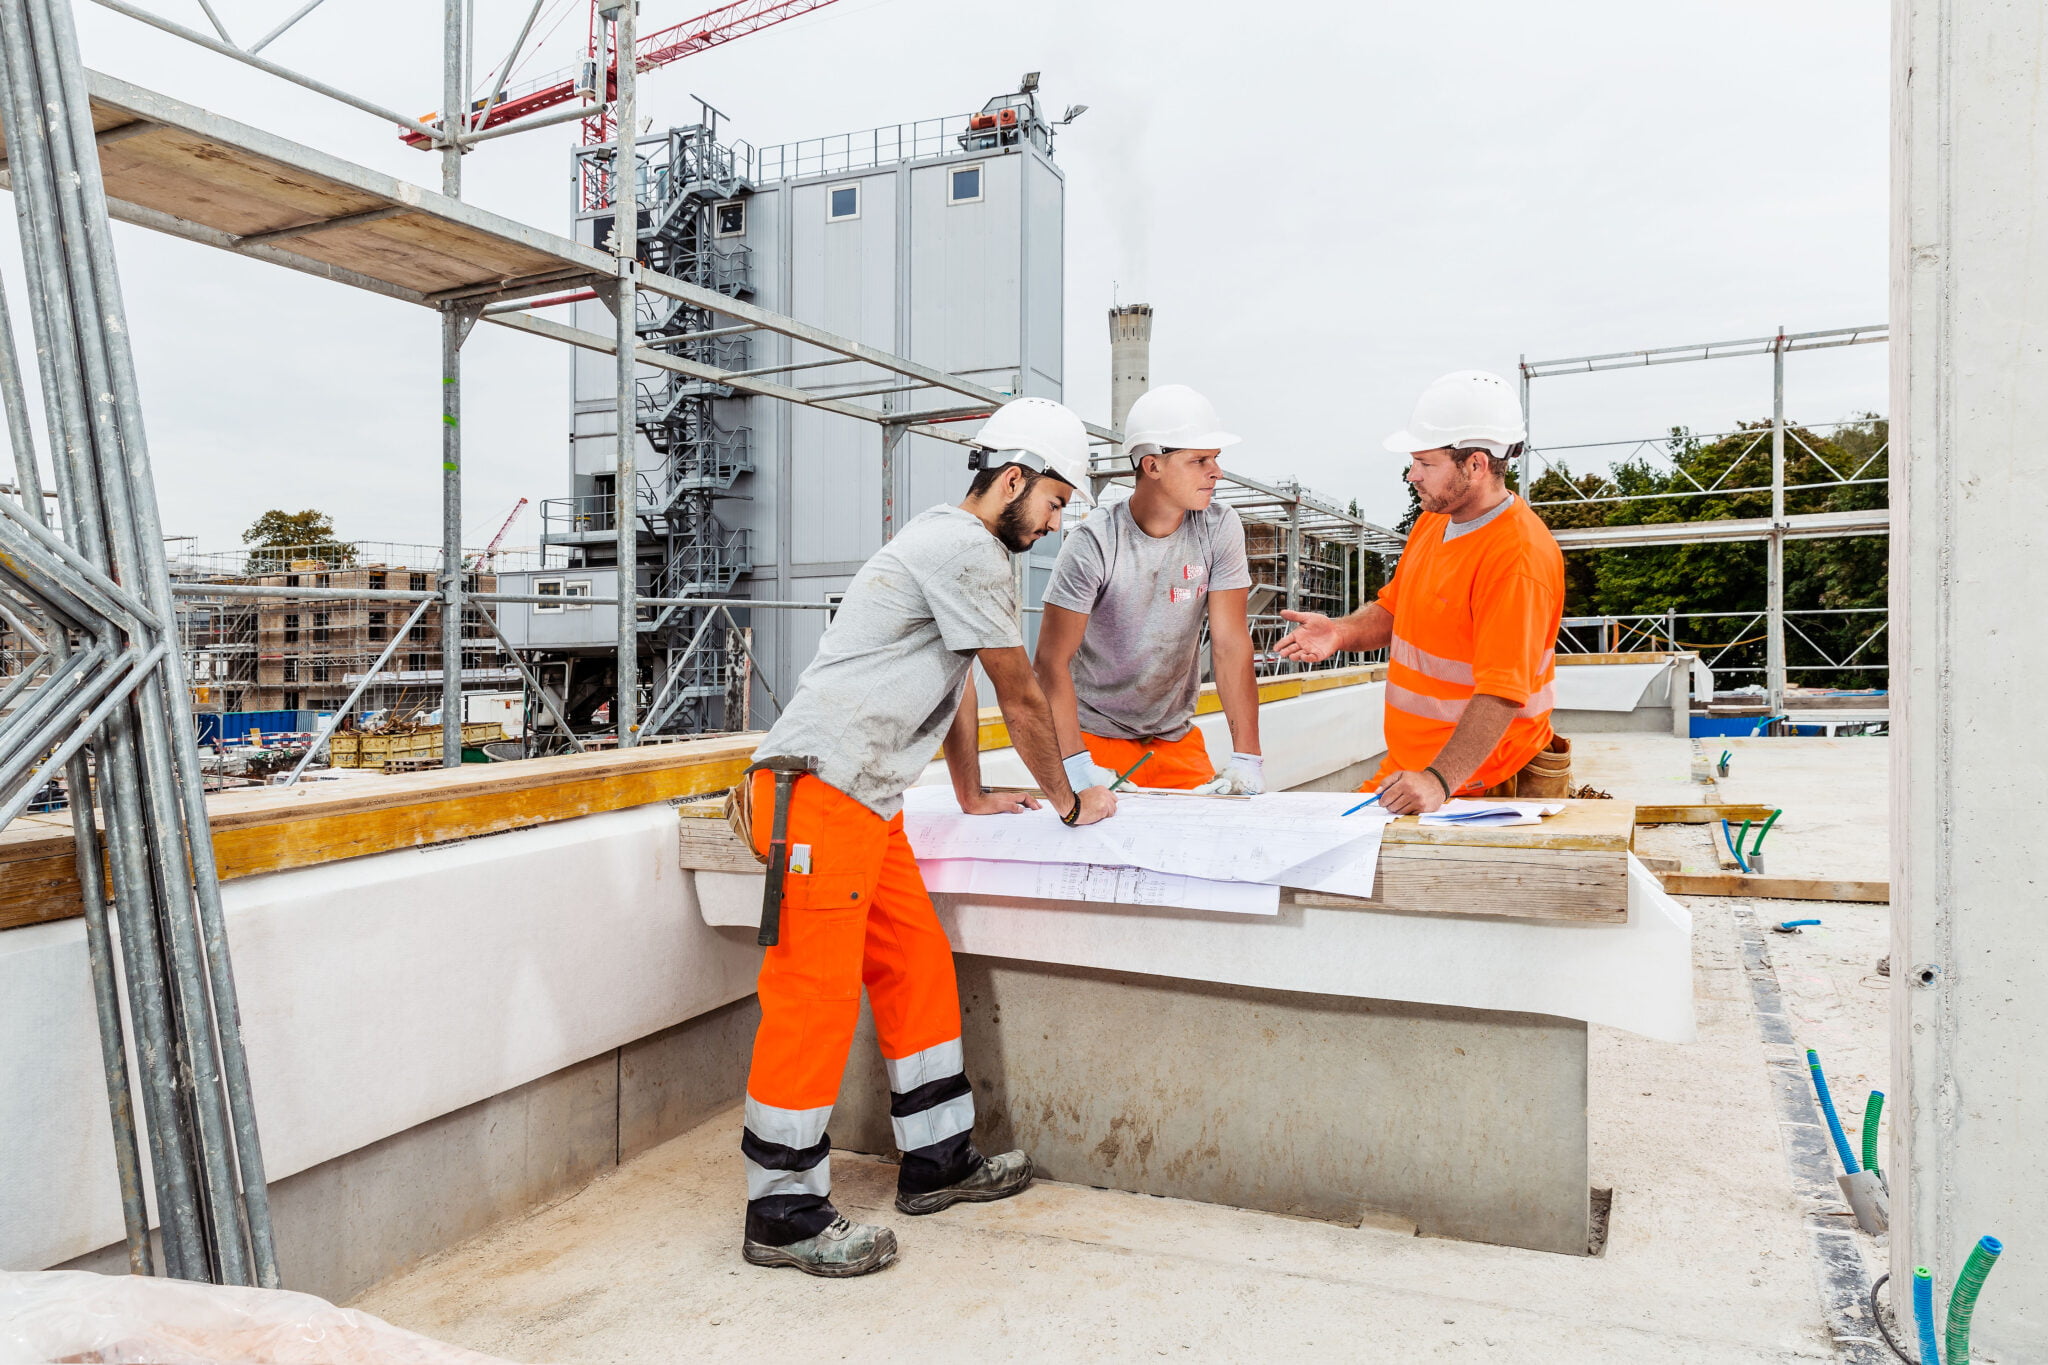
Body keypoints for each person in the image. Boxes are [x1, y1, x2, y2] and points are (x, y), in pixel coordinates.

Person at [736, 396, 1117, 1278]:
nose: (1057, 522)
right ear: (1012, 479)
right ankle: (782, 1211)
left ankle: (938, 1160)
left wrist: (972, 790)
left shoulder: (963, 551)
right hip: (818, 796)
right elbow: (1019, 690)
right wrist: (1069, 799)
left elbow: (962, 681)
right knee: (814, 997)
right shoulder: (965, 546)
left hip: (865, 801)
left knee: (913, 960)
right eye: (1056, 502)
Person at [1274, 371, 1567, 814]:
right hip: (1417, 766)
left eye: (1426, 463)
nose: (1411, 475)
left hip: (1481, 780)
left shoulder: (1518, 558)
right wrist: (1340, 633)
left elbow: (1502, 692)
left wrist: (1438, 780)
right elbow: (1396, 608)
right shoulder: (1435, 520)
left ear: (1476, 466)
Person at [1034, 385, 1263, 796]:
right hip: (1094, 738)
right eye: (1199, 460)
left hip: (1174, 738)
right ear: (1152, 465)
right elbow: (1051, 661)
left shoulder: (1219, 528)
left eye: (1215, 459)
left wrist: (1248, 757)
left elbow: (1230, 645)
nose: (1217, 472)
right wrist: (1076, 763)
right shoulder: (1094, 542)